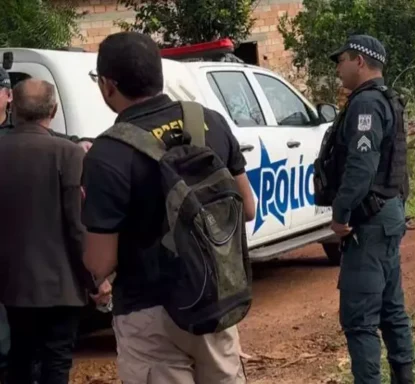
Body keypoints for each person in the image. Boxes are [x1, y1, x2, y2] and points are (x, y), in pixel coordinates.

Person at [81, 31, 256, 383]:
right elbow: (247, 208)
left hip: (149, 314)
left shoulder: (107, 153)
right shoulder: (209, 122)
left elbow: (101, 262)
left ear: (107, 85)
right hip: (213, 299)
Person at [0, 79, 105, 384]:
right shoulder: (68, 153)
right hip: (61, 285)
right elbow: (76, 225)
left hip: (12, 284)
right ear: (54, 110)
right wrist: (96, 279)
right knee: (56, 362)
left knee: (20, 356)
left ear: (14, 107)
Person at [325, 35, 414, 384]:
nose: (338, 67)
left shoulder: (365, 105)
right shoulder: (385, 100)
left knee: (360, 319)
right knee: (391, 310)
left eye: (342, 59)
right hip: (388, 216)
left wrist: (341, 214)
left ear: (359, 61)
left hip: (369, 223)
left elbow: (361, 169)